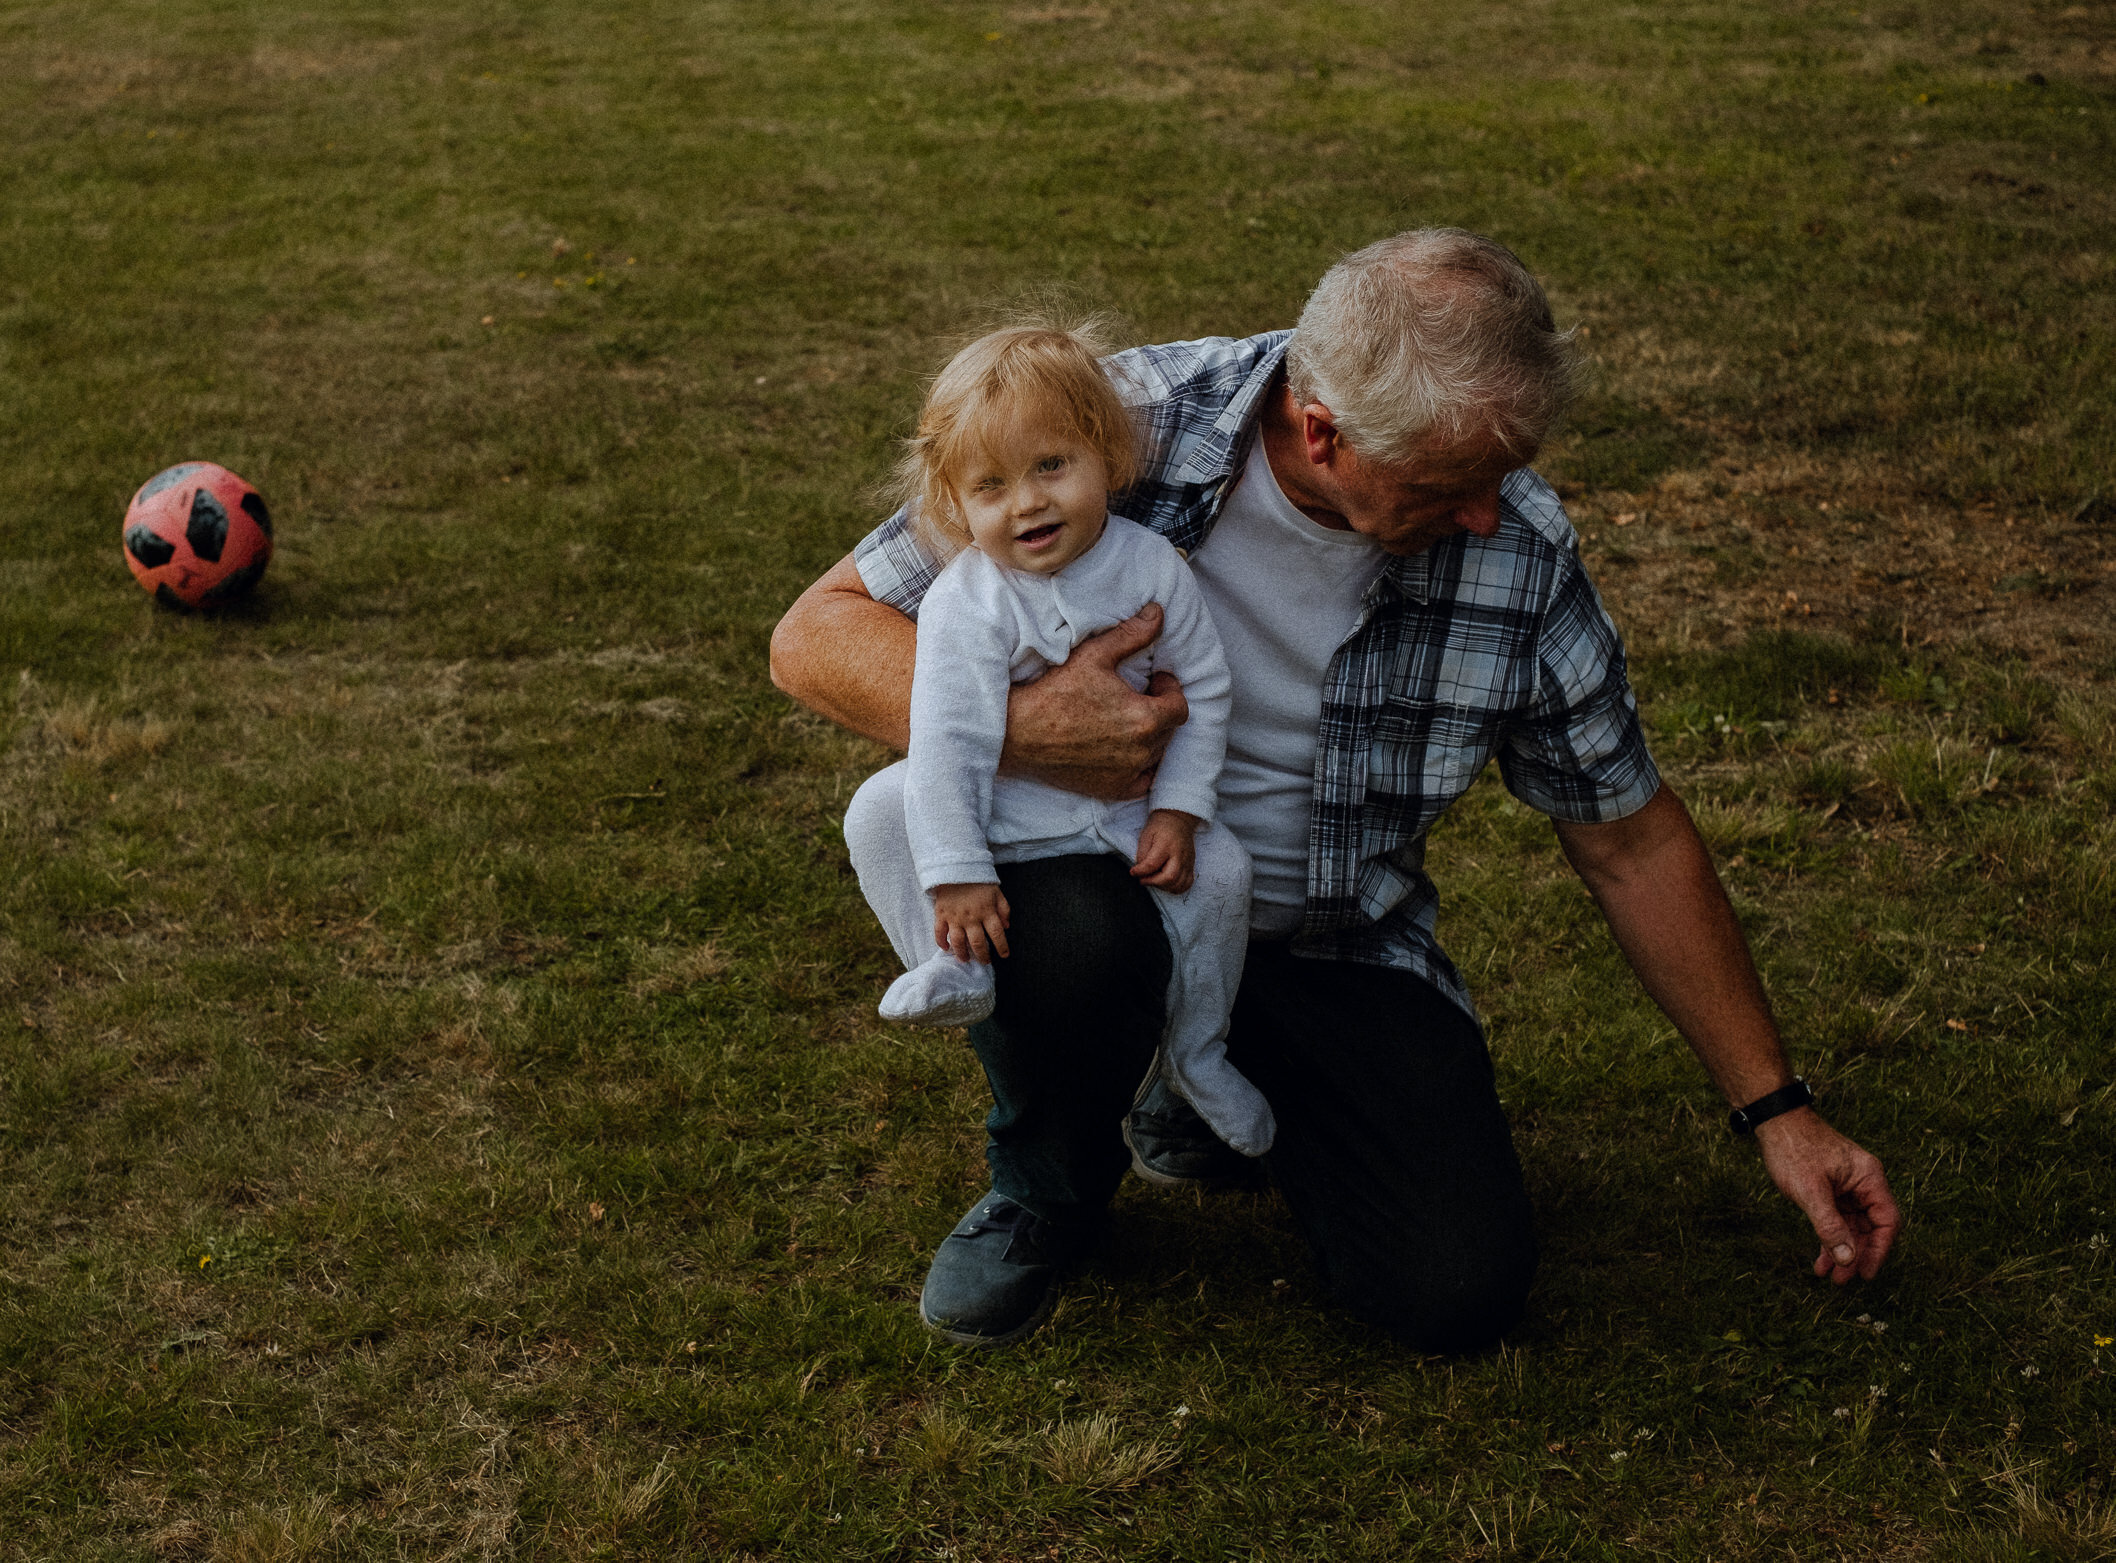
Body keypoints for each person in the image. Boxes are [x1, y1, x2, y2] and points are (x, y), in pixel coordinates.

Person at [770, 229, 1901, 1354]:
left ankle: (1199, 1066)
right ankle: (1046, 1184)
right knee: (1067, 937)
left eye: (1503, 475)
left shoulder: (1521, 549)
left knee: (1452, 1286)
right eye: (1453, 486)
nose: (1485, 517)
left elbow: (1629, 840)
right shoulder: (1101, 423)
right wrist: (1024, 730)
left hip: (1328, 931)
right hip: (1095, 863)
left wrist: (1778, 1109)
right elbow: (813, 634)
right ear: (1322, 433)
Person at [847, 320, 1275, 1345]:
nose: (1027, 501)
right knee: (879, 807)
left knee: (1222, 871)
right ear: (953, 506)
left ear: (1108, 458)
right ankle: (951, 966)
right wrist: (956, 874)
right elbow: (946, 740)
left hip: (1123, 812)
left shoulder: (1151, 567)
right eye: (990, 486)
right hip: (1006, 818)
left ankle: (1198, 1053)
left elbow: (1203, 688)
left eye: (1052, 465)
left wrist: (1178, 808)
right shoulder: (963, 600)